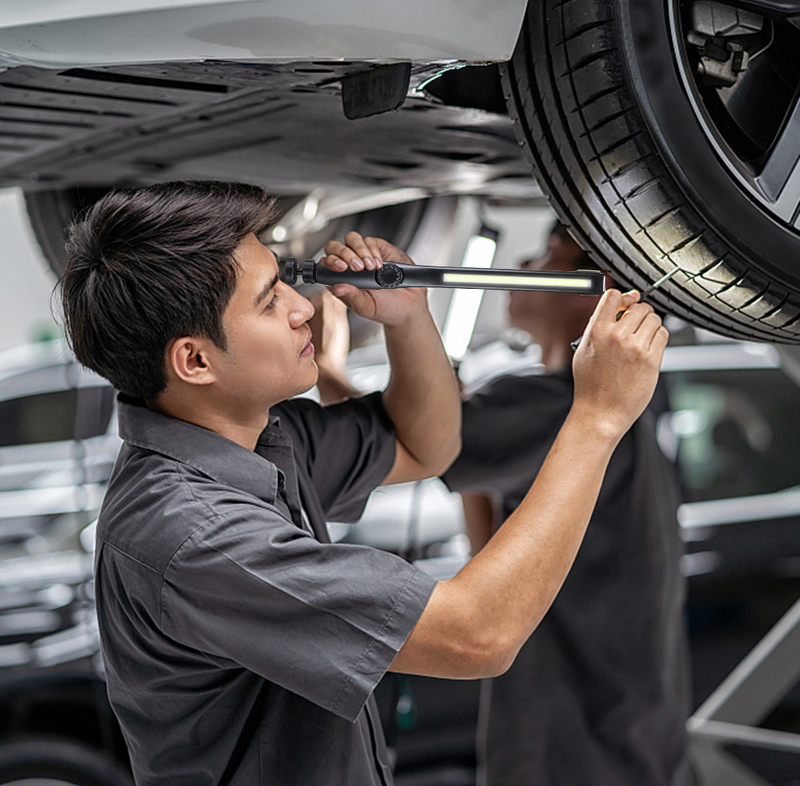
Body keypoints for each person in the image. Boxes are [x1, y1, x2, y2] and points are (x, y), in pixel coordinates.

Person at [58, 181, 667, 785]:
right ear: (195, 361)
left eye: (284, 281)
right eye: (269, 301)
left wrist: (408, 320)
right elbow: (479, 636)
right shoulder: (197, 535)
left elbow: (425, 445)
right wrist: (597, 418)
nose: (303, 307)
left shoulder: (261, 440)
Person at [442, 221, 694, 786]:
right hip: (634, 743)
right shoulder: (627, 410)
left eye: (544, 256)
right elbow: (488, 547)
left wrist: (344, 353)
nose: (522, 267)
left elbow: (403, 444)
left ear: (594, 291)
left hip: (571, 751)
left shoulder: (557, 406)